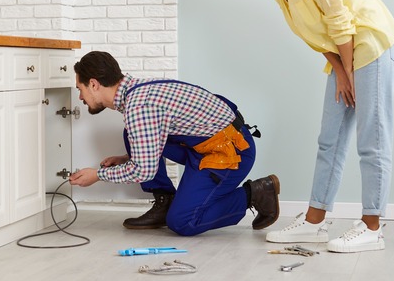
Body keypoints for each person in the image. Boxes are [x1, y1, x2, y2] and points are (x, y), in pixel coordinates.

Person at [229, 0, 394, 253]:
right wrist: (340, 70)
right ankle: (314, 222)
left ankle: (373, 227)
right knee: (330, 140)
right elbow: (310, 33)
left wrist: (350, 71)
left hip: (371, 45)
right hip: (346, 55)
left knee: (372, 139)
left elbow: (339, 20)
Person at [67, 50, 279, 236]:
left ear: (93, 84)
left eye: (80, 88)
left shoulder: (139, 107)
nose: (80, 97)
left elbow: (143, 172)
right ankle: (165, 204)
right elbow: (150, 136)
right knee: (130, 133)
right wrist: (130, 157)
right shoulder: (136, 90)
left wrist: (97, 175)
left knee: (183, 222)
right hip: (207, 143)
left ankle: (256, 193)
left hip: (230, 152)